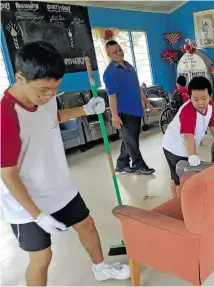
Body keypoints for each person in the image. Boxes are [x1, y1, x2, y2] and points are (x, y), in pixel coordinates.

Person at [0, 41, 130, 286]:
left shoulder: (46, 96)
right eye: (44, 91)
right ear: (20, 78)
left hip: (58, 186)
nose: (49, 96)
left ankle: (101, 268)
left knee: (87, 226)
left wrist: (85, 109)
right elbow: (7, 174)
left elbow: (52, 116)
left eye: (55, 89)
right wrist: (36, 215)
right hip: (25, 199)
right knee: (42, 258)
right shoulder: (6, 116)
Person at [162, 76, 214, 198]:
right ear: (189, 98)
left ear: (210, 96)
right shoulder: (188, 111)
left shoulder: (210, 107)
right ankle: (179, 206)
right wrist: (192, 155)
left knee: (178, 177)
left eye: (204, 98)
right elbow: (188, 136)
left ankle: (178, 201)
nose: (200, 102)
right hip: (174, 146)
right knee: (180, 179)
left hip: (185, 145)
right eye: (196, 99)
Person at [104, 40, 156, 175]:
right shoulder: (110, 73)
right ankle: (138, 164)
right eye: (115, 52)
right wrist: (114, 116)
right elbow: (112, 96)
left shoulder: (129, 66)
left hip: (136, 108)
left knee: (130, 138)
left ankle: (122, 164)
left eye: (120, 49)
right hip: (124, 111)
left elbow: (136, 87)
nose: (119, 52)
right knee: (131, 139)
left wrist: (147, 103)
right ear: (109, 55)